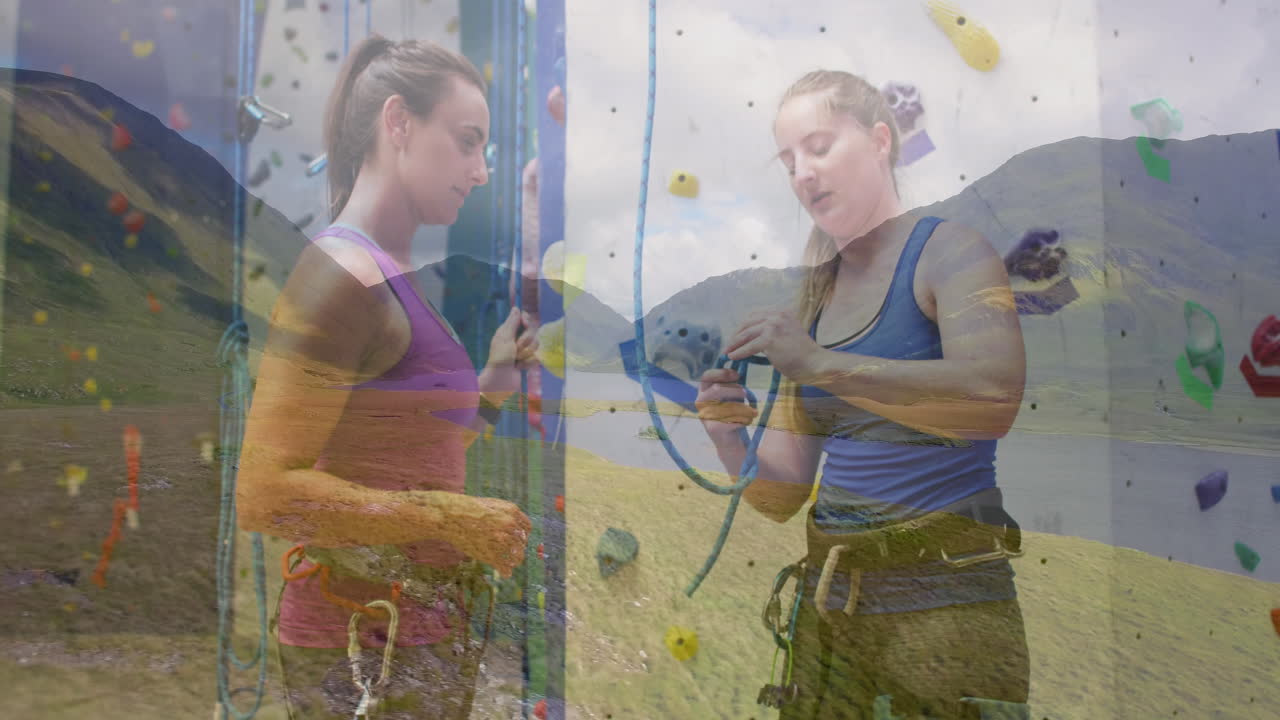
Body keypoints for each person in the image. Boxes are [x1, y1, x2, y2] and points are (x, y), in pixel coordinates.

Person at [696, 70, 1031, 719]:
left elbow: (995, 397)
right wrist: (726, 433)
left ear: (880, 141)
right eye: (789, 160)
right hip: (828, 623)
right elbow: (781, 496)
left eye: (818, 146)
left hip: (947, 614)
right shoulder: (815, 302)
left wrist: (820, 363)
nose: (802, 173)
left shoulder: (952, 253)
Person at [236, 35, 538, 719]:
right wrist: (446, 518)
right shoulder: (338, 277)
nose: (481, 171)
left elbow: (409, 459)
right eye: (467, 141)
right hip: (357, 645)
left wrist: (490, 386)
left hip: (410, 639)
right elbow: (263, 495)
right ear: (398, 123)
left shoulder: (392, 279)